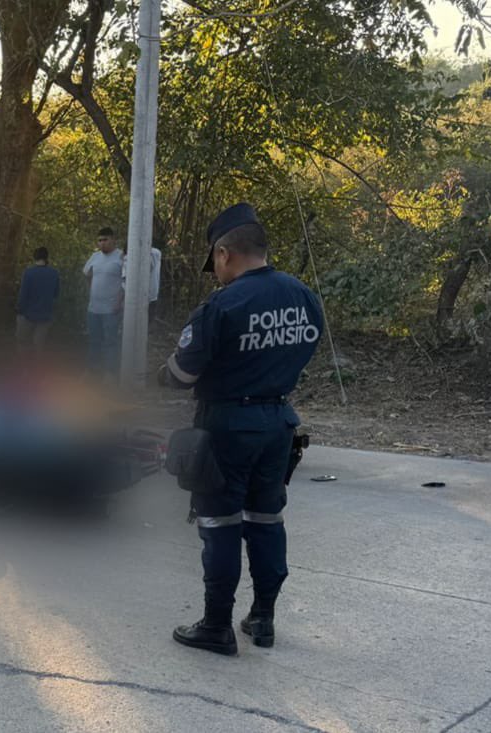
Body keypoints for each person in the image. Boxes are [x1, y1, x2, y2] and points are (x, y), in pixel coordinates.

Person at [160, 203, 324, 656]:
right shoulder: (303, 295)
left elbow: (182, 373)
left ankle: (216, 625)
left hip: (227, 427)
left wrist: (160, 375)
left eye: (214, 261)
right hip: (279, 424)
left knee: (220, 523)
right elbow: (303, 349)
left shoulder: (222, 304)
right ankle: (263, 618)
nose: (216, 271)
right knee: (267, 520)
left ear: (224, 253)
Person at [83, 227, 125, 377]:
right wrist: (92, 291)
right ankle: (92, 371)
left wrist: (119, 301)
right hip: (94, 308)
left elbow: (126, 281)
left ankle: (110, 374)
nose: (102, 243)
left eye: (105, 240)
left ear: (113, 240)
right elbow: (87, 274)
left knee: (110, 342)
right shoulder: (95, 256)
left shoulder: (121, 256)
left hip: (111, 309)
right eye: (99, 240)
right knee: (94, 341)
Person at [15, 247, 59, 353]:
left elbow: (23, 295)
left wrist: (19, 310)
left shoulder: (28, 273)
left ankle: (23, 362)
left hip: (28, 314)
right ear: (46, 257)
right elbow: (56, 294)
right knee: (39, 345)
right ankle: (38, 362)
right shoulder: (54, 273)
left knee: (22, 342)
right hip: (45, 314)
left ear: (34, 257)